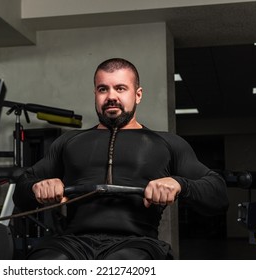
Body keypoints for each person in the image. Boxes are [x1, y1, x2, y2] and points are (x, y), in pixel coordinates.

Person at [13, 58, 229, 260]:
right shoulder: (69, 142)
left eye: (120, 88)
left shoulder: (167, 143)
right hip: (72, 244)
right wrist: (37, 189)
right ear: (95, 94)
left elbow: (218, 195)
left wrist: (180, 184)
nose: (111, 96)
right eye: (102, 89)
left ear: (138, 94)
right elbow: (21, 191)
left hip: (137, 243)